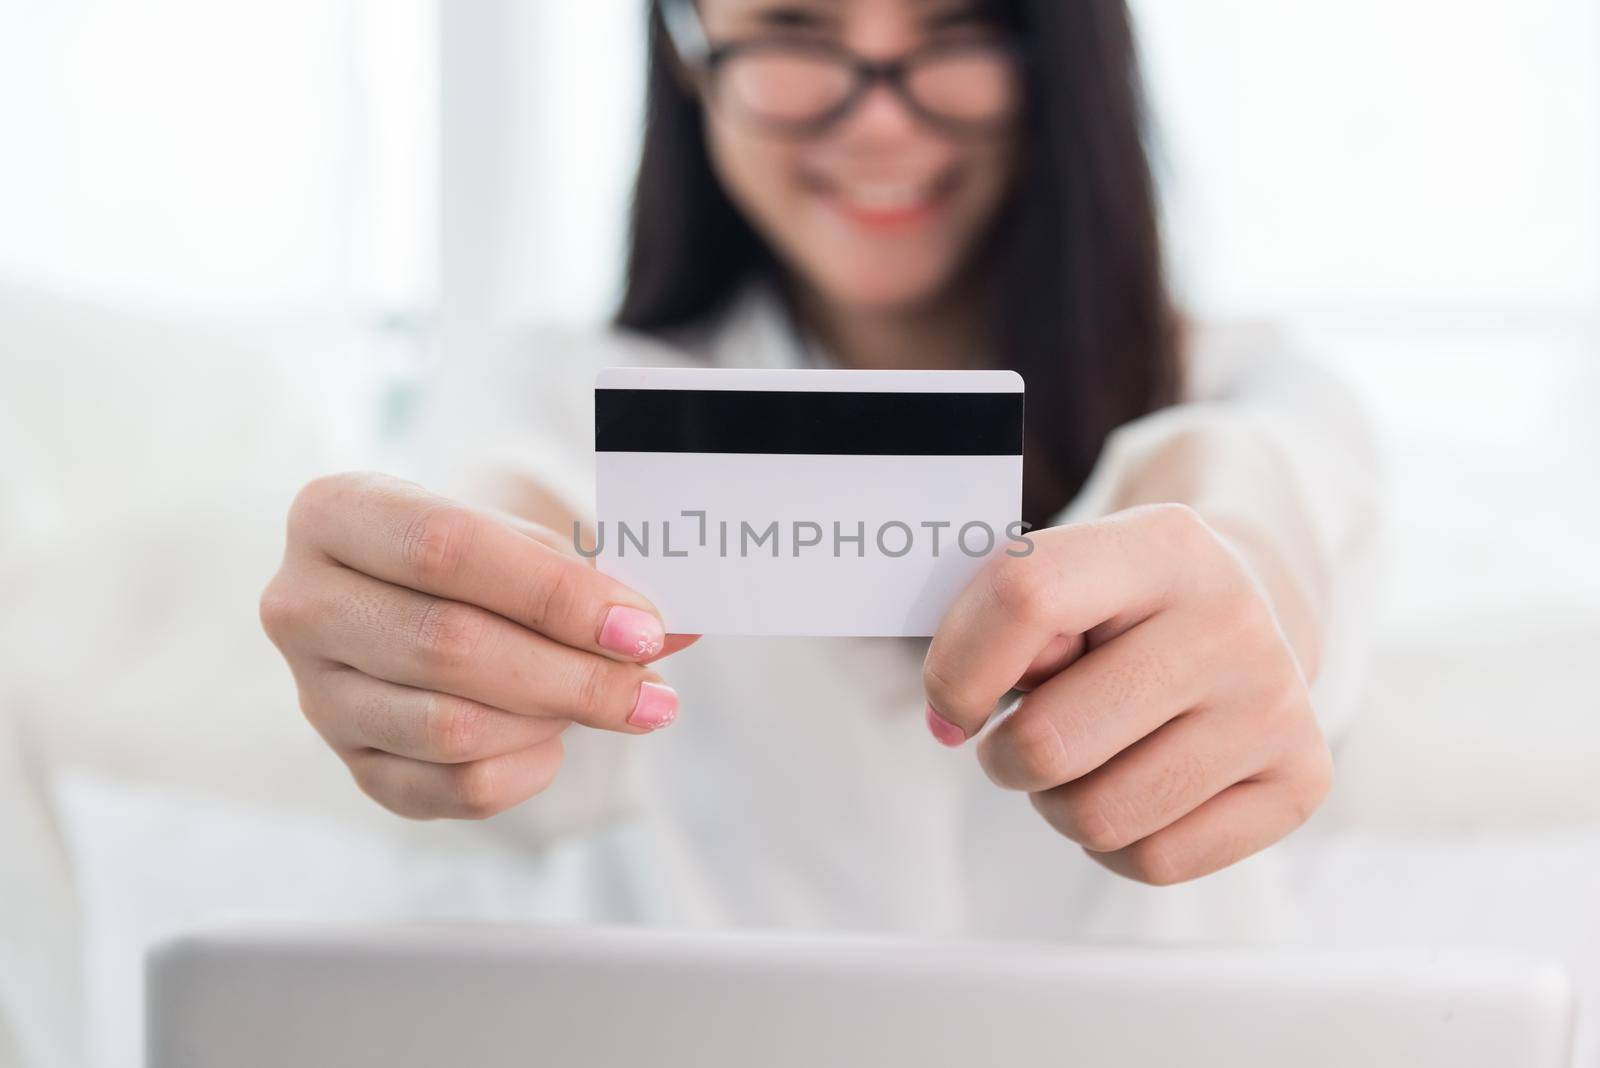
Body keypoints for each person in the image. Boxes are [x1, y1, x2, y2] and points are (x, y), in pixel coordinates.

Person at [261, 0, 1376, 939]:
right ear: (690, 54)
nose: (881, 121)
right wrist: (446, 614)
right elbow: (518, 486)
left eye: (958, 30)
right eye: (795, 32)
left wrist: (1242, 564)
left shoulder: (1252, 391)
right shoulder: (561, 391)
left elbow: (1255, 492)